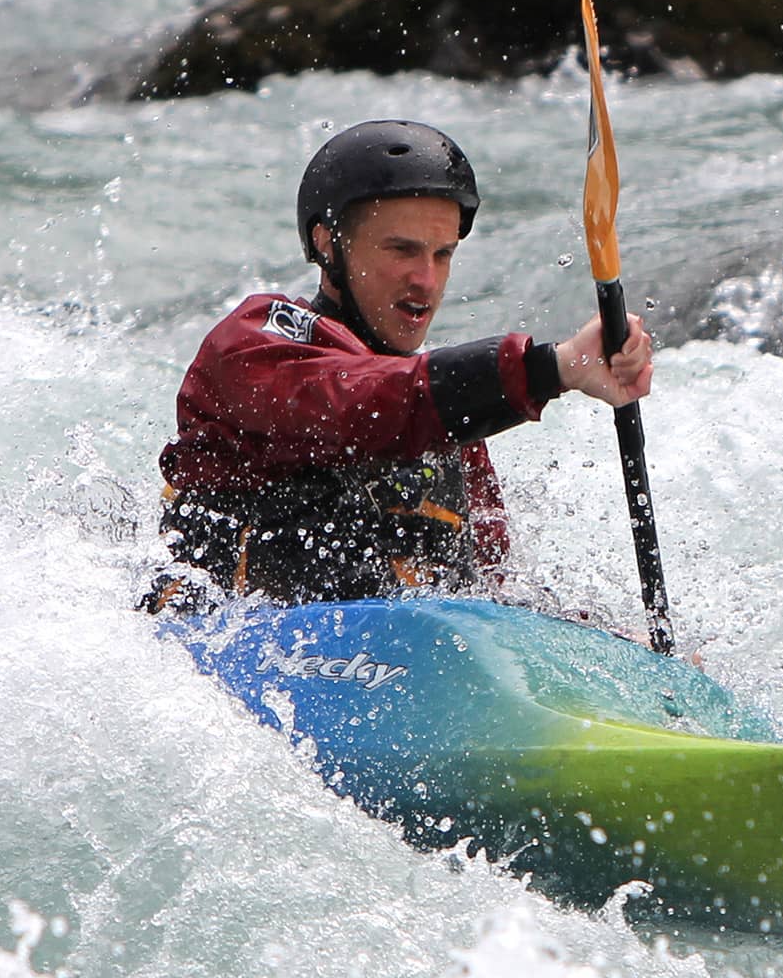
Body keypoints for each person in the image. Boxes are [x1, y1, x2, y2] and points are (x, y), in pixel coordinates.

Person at [144, 119, 652, 610]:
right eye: (402, 250)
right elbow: (359, 401)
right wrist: (551, 368)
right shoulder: (255, 342)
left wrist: (617, 651)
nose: (426, 280)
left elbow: (497, 598)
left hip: (394, 649)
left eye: (442, 254)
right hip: (231, 638)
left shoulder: (444, 416)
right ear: (327, 242)